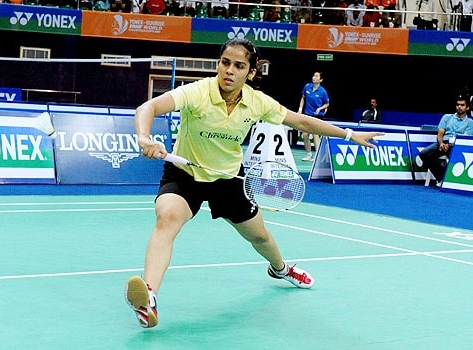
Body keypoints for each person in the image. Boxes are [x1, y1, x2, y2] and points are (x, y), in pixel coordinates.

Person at [124, 38, 382, 329]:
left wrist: (349, 135)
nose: (229, 71)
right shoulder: (197, 92)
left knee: (259, 237)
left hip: (229, 179)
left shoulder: (257, 101)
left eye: (239, 65)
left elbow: (303, 122)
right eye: (225, 63)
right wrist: (144, 138)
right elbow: (147, 108)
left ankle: (281, 269)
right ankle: (149, 299)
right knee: (167, 218)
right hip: (186, 173)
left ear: (251, 72)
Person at [418, 96, 473, 186]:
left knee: (457, 158)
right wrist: (441, 143)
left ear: (467, 108)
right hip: (443, 143)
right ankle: (441, 177)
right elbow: (440, 134)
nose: (459, 107)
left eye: (462, 105)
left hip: (457, 146)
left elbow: (464, 138)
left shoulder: (470, 123)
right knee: (424, 153)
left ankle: (453, 183)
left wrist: (450, 145)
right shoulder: (447, 117)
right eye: (457, 105)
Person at [297, 71, 330, 162]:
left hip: (317, 116)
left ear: (321, 80)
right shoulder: (307, 87)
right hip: (307, 114)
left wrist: (320, 108)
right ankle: (309, 155)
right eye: (313, 75)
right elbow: (303, 98)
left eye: (316, 76)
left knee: (315, 135)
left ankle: (318, 156)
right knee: (305, 135)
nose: (314, 77)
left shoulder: (323, 92)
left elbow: (327, 104)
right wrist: (300, 109)